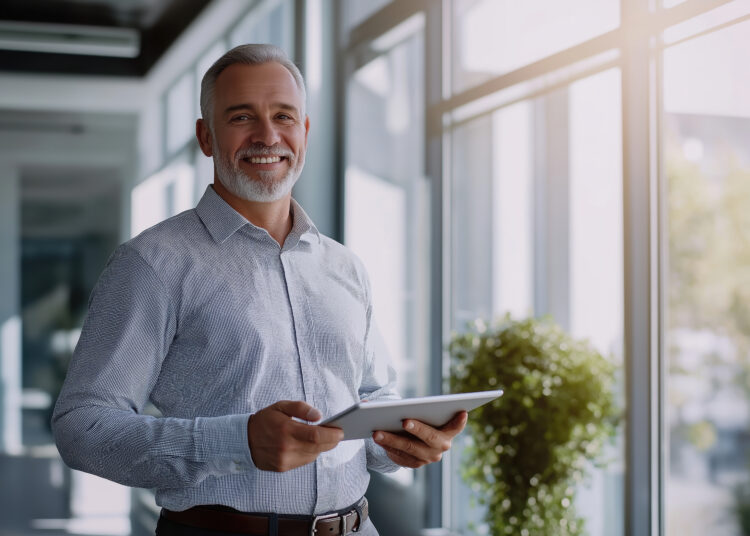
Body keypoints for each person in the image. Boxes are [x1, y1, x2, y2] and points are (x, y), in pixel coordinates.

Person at [51, 43, 467, 536]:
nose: (267, 136)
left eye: (284, 116)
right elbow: (83, 427)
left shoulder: (344, 265)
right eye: (242, 116)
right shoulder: (152, 264)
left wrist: (404, 438)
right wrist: (237, 442)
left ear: (305, 132)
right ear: (206, 137)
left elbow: (370, 394)